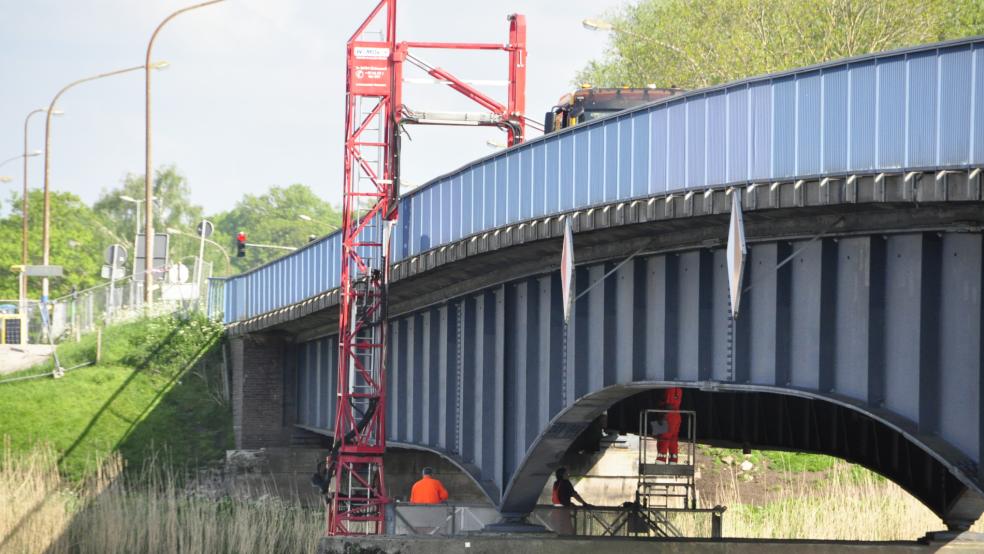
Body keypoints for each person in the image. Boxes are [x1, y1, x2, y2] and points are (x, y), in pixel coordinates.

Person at [550, 467, 591, 535]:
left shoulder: (556, 483)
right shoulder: (566, 483)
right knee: (567, 531)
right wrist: (584, 503)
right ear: (562, 475)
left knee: (558, 531)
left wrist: (570, 503)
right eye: (566, 473)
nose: (568, 474)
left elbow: (560, 496)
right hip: (563, 511)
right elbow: (574, 494)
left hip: (555, 511)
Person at [656, 387, 683, 463]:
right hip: (676, 415)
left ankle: (661, 460)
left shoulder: (669, 388)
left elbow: (668, 404)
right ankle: (673, 460)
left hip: (665, 415)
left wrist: (662, 417)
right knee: (673, 439)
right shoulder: (679, 388)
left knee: (663, 437)